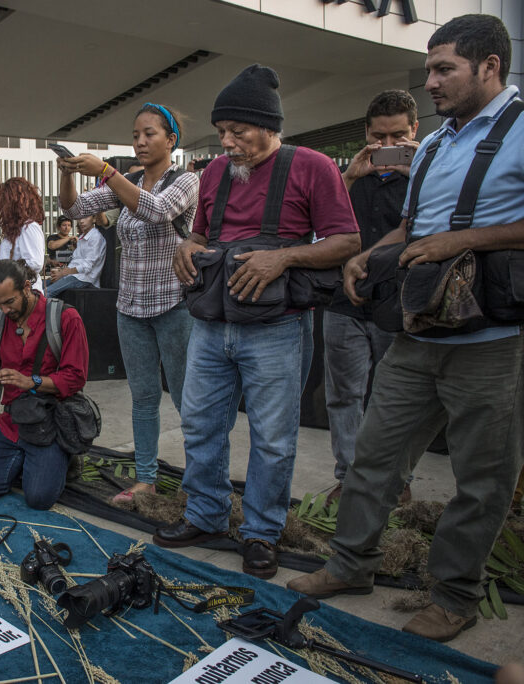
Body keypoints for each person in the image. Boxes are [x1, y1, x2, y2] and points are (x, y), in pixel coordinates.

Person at [288, 14, 524, 642]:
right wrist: (373, 252)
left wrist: (461, 240)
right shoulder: (437, 146)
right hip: (420, 332)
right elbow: (413, 229)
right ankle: (351, 565)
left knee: (481, 479)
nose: (432, 81)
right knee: (372, 456)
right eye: (429, 69)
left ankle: (454, 597)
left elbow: (448, 237)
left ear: (490, 66)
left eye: (444, 68)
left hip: (494, 343)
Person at [160, 65, 360, 579]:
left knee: (273, 437)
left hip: (278, 327)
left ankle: (261, 532)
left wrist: (284, 258)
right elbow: (202, 236)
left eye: (238, 132)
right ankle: (204, 515)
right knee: (201, 424)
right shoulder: (213, 174)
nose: (227, 142)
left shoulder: (313, 166)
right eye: (221, 131)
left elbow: (347, 241)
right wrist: (188, 244)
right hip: (211, 324)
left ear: (270, 126)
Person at [59, 103, 198, 504]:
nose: (139, 141)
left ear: (171, 140)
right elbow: (74, 208)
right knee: (144, 397)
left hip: (174, 305)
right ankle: (146, 479)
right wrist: (67, 172)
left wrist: (106, 171)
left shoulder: (186, 181)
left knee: (188, 399)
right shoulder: (130, 180)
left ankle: (200, 481)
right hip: (131, 307)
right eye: (135, 135)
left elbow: (156, 211)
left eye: (149, 134)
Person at [324, 90, 421, 506]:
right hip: (343, 304)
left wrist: (420, 170)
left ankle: (397, 481)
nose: (386, 147)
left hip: (400, 304)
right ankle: (349, 477)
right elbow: (319, 227)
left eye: (397, 136)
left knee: (396, 397)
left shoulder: (427, 175)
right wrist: (348, 178)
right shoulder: (345, 176)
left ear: (414, 131)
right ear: (366, 133)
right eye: (378, 137)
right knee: (343, 395)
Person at [0, 259, 88, 509]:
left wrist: (31, 382)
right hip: (14, 420)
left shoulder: (65, 318)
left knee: (39, 498)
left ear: (27, 287)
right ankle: (29, 458)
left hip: (51, 420)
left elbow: (75, 377)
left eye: (9, 302)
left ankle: (63, 455)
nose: (4, 310)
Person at [0, 177, 47, 293]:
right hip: (11, 293)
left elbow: (35, 264)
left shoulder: (29, 227)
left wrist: (2, 273)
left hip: (21, 294)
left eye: (4, 200)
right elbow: (9, 259)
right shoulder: (17, 228)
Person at [46, 215, 106, 298]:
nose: (81, 221)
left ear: (94, 219)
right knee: (39, 287)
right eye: (79, 218)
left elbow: (87, 267)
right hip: (72, 275)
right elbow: (75, 261)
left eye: (85, 217)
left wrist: (63, 273)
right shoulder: (81, 238)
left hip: (84, 278)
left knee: (47, 292)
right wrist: (61, 273)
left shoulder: (96, 237)